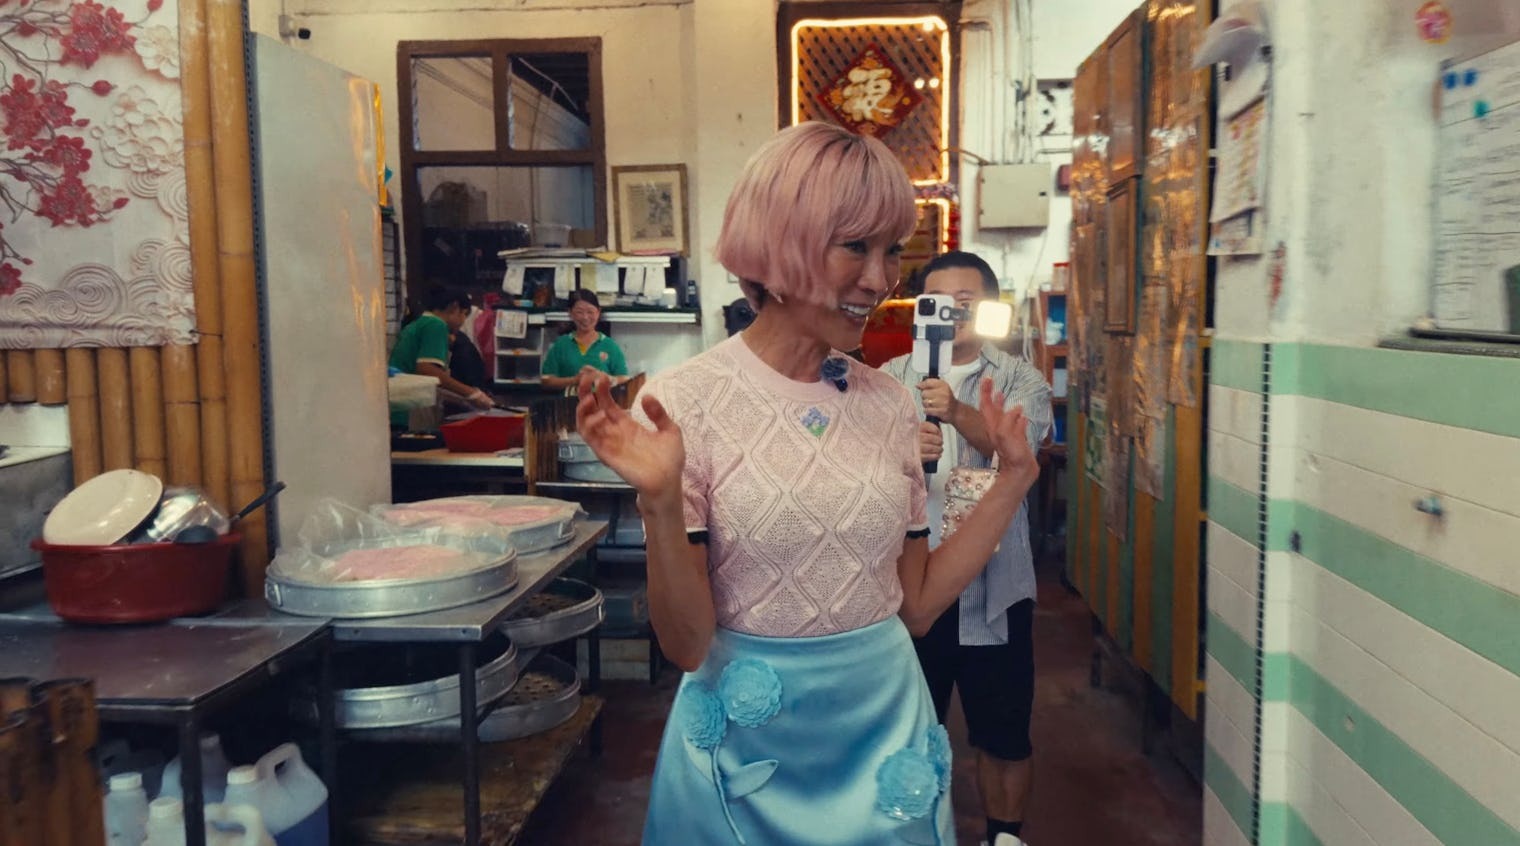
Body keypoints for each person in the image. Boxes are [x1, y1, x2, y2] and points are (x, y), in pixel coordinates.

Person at [571, 121, 1041, 846]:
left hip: (883, 733)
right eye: (855, 247)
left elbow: (917, 606)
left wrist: (1014, 477)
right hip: (745, 753)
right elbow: (688, 646)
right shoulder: (685, 400)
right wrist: (660, 504)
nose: (880, 280)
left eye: (892, 251)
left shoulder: (890, 401)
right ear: (778, 243)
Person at [882, 251, 1054, 846]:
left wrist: (955, 412)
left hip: (994, 588)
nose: (951, 315)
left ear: (987, 307)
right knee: (906, 730)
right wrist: (902, 453)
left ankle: (1003, 837)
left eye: (965, 303)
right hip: (905, 586)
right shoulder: (886, 379)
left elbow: (1022, 452)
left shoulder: (1020, 379)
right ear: (918, 309)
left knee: (1003, 735)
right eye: (937, 303)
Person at [388, 287, 493, 422]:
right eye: (464, 314)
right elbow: (427, 370)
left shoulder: (418, 324)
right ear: (454, 307)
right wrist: (472, 393)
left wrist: (464, 398)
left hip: (398, 409)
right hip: (409, 412)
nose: (463, 322)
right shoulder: (436, 325)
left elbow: (432, 381)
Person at [540, 289, 628, 390]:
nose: (585, 317)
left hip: (601, 400)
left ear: (598, 312)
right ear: (570, 313)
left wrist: (606, 379)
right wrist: (574, 380)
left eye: (590, 312)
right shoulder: (561, 344)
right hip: (568, 400)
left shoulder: (610, 345)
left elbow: (624, 379)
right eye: (579, 312)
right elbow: (546, 380)